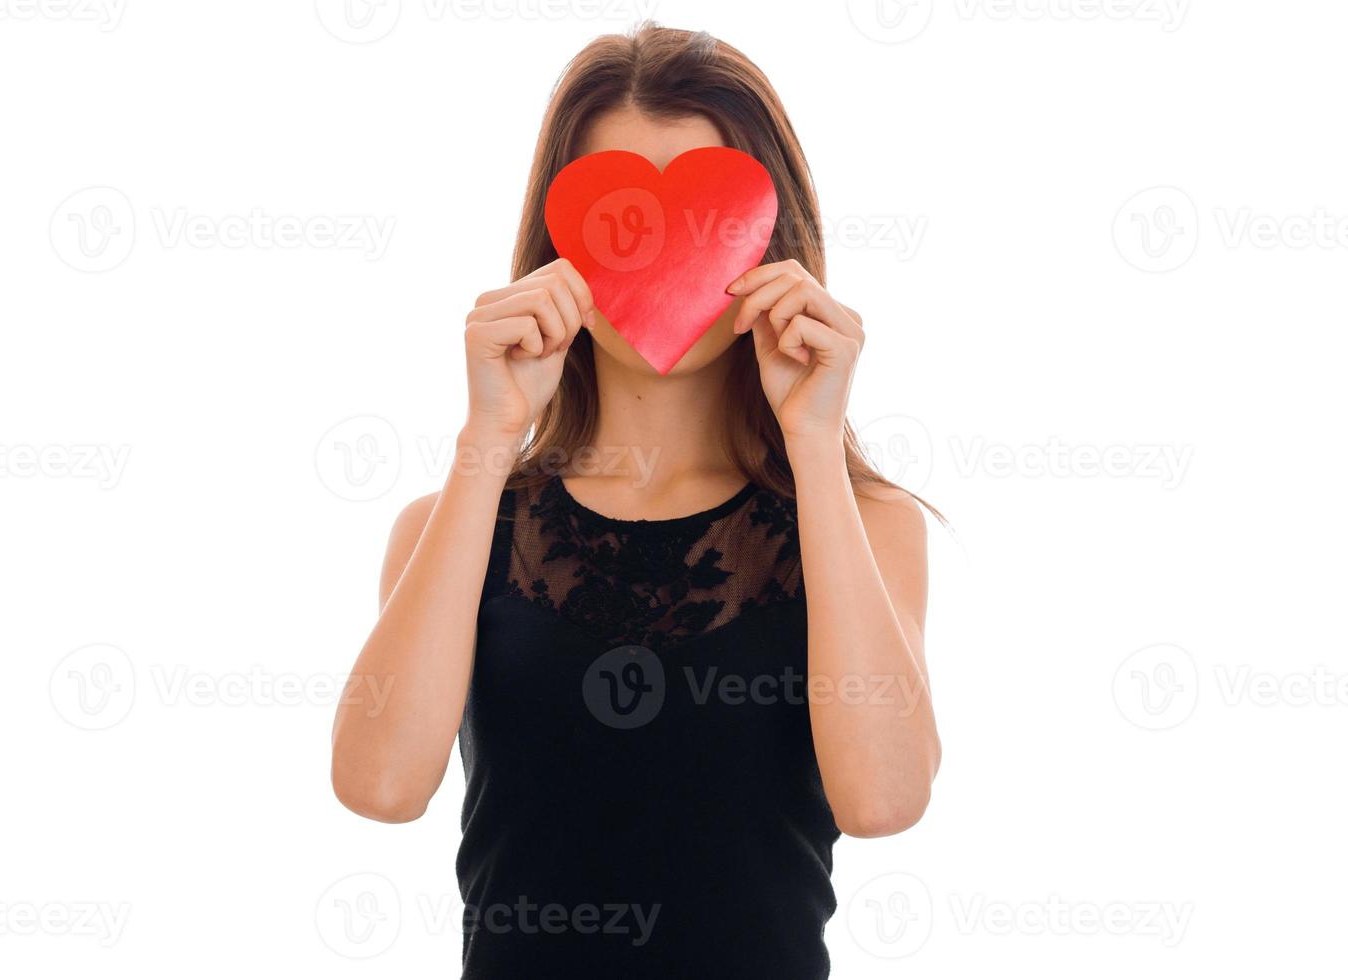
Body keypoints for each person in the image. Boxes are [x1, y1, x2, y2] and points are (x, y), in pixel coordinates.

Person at [331, 23, 941, 979]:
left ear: (767, 242)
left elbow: (884, 802)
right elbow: (379, 787)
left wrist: (814, 445)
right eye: (622, 220)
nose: (660, 261)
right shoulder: (456, 520)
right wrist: (486, 442)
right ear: (557, 249)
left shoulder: (865, 523)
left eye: (698, 221)